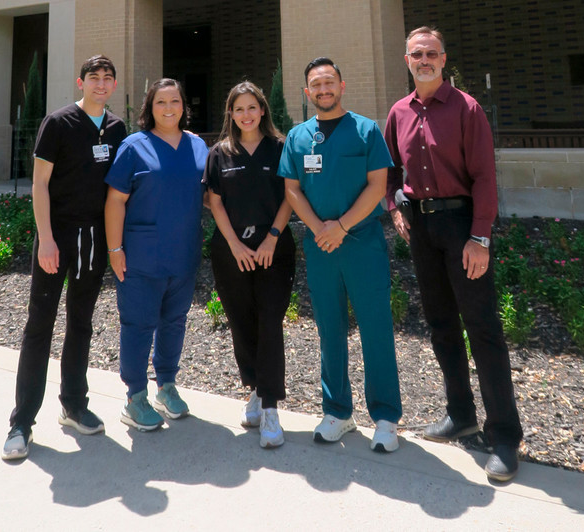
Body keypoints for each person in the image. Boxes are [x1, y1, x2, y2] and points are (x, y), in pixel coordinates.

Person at [384, 26, 523, 481]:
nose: (423, 60)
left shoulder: (467, 108)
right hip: (422, 229)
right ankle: (460, 414)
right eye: (416, 54)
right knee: (441, 325)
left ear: (443, 59)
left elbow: (484, 176)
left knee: (482, 328)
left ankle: (504, 435)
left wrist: (480, 237)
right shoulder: (399, 112)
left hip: (462, 227)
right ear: (407, 60)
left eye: (431, 53)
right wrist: (394, 208)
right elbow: (390, 169)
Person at [3, 55, 126, 460]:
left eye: (107, 78)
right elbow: (39, 184)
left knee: (81, 323)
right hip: (56, 237)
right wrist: (46, 239)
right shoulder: (57, 123)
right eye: (94, 77)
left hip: (93, 239)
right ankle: (21, 423)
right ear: (81, 82)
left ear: (113, 85)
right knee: (39, 326)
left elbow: (118, 191)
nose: (101, 84)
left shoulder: (116, 128)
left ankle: (73, 405)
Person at [279, 57, 402, 452]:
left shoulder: (366, 131)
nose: (323, 89)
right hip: (321, 247)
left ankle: (385, 417)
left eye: (329, 82)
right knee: (329, 329)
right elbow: (292, 189)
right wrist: (320, 229)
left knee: (375, 327)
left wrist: (342, 227)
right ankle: (337, 412)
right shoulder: (298, 137)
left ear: (342, 86)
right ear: (307, 92)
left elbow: (377, 185)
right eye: (316, 84)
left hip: (362, 243)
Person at [104, 78, 209, 432]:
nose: (168, 108)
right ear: (150, 107)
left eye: (175, 101)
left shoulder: (197, 145)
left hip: (183, 254)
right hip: (141, 257)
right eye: (160, 102)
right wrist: (115, 249)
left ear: (183, 106)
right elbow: (115, 200)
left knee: (174, 321)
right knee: (138, 324)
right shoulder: (134, 146)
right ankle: (135, 397)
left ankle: (166, 386)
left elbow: (208, 195)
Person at [204, 81, 295, 449]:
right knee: (241, 322)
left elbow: (290, 195)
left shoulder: (281, 147)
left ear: (262, 110)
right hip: (232, 251)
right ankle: (256, 389)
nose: (246, 114)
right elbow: (214, 201)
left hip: (274, 249)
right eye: (239, 108)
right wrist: (235, 245)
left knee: (270, 321)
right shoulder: (220, 152)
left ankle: (271, 407)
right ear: (231, 113)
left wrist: (272, 237)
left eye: (252, 107)